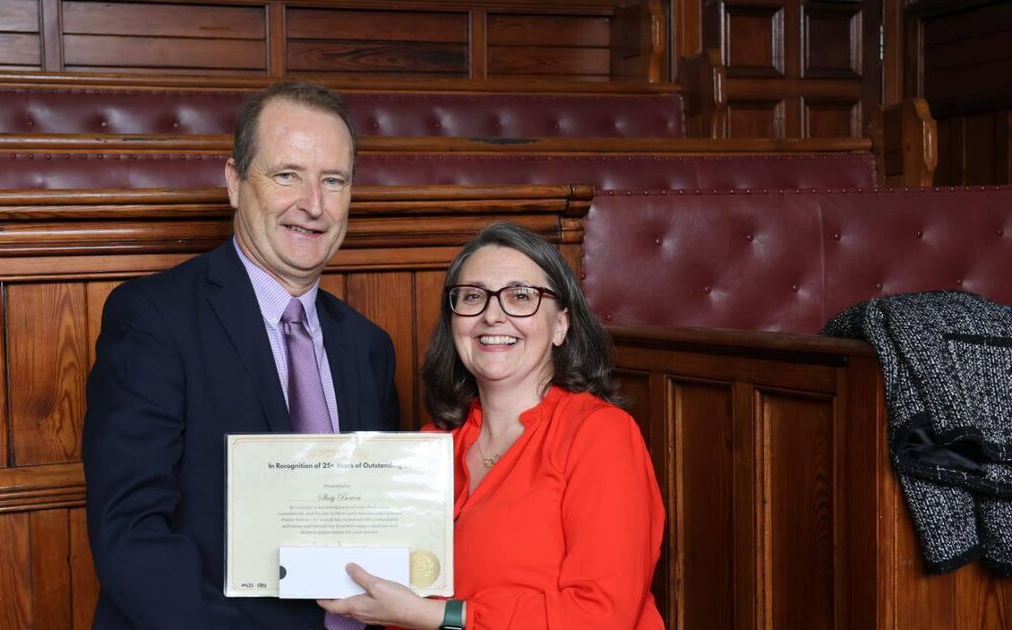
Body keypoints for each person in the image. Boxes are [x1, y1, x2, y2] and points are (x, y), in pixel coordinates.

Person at [83, 82, 399, 630]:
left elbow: (377, 526)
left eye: (333, 180)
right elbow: (131, 533)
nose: (313, 205)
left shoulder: (368, 346)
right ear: (234, 182)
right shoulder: (153, 318)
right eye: (287, 175)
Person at [320, 222, 665, 629]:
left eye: (521, 296)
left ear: (561, 325)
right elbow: (393, 595)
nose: (492, 315)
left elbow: (602, 614)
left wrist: (441, 616)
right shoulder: (429, 447)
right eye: (473, 296)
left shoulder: (600, 434)